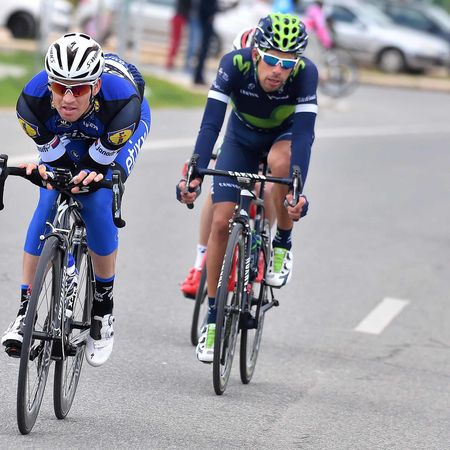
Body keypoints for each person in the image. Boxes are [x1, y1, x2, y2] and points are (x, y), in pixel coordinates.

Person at [1, 33, 151, 367]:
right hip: (69, 132)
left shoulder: (122, 102)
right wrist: (44, 172)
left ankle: (103, 310)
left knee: (96, 199)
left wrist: (92, 175)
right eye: (60, 87)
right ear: (49, 85)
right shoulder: (31, 102)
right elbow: (55, 160)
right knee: (48, 196)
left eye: (79, 89)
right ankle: (25, 311)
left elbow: (95, 166)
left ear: (95, 86)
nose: (68, 98)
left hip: (115, 125)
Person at [177, 13, 317, 363]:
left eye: (287, 63)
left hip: (283, 137)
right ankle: (213, 319)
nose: (278, 70)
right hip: (240, 139)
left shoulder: (306, 74)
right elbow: (211, 123)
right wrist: (195, 171)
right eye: (271, 59)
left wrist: (296, 188)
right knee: (221, 221)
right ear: (256, 54)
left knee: (281, 165)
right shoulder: (234, 64)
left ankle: (282, 242)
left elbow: (304, 135)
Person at [166, 0, 192, 70]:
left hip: (178, 18)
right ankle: (170, 63)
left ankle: (170, 62)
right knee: (176, 43)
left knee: (175, 42)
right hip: (179, 19)